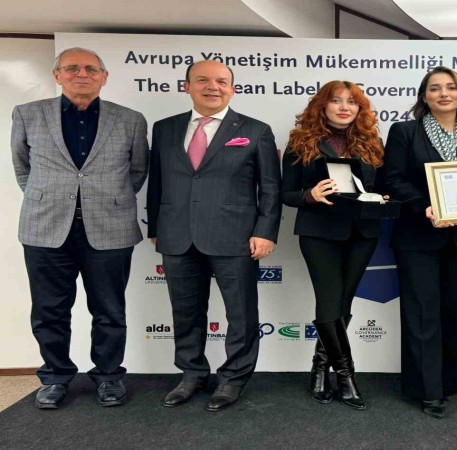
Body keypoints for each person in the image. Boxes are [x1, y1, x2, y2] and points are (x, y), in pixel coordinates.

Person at [11, 47, 148, 409]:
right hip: (45, 228)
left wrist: (104, 200)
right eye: (72, 68)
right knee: (49, 310)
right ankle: (55, 377)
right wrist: (52, 198)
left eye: (90, 68)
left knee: (109, 310)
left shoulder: (131, 120)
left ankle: (108, 376)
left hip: (110, 227)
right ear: (57, 75)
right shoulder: (27, 114)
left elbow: (137, 172)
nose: (81, 74)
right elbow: (23, 168)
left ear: (104, 77)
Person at [146, 60, 281, 412]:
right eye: (202, 80)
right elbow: (157, 182)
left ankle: (233, 377)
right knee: (185, 312)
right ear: (187, 86)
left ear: (232, 89)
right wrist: (156, 228)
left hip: (235, 236)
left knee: (241, 314)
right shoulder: (164, 128)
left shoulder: (255, 130)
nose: (213, 87)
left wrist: (265, 232)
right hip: (177, 234)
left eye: (222, 81)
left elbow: (270, 188)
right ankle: (192, 373)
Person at [384, 66, 457, 419]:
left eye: (451, 87)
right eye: (435, 88)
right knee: (422, 313)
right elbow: (392, 179)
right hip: (418, 236)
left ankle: (451, 380)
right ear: (425, 96)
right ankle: (427, 389)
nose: (443, 93)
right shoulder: (405, 132)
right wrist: (426, 206)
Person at [281, 80, 385, 410]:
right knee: (329, 302)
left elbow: (382, 187)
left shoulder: (372, 142)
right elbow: (286, 193)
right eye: (336, 101)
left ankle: (318, 368)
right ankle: (346, 376)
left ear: (359, 109)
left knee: (342, 303)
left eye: (351, 102)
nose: (344, 107)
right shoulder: (300, 142)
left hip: (362, 233)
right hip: (319, 233)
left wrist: (381, 197)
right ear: (322, 106)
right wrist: (309, 195)